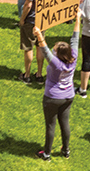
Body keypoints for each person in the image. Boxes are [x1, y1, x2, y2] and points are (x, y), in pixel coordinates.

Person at [33, 10, 79, 159]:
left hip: (52, 98)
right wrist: (77, 20)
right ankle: (66, 151)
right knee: (64, 123)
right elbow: (75, 39)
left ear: (58, 54)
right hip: (68, 97)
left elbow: (45, 51)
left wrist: (39, 35)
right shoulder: (74, 58)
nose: (52, 51)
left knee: (51, 125)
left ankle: (46, 153)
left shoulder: (56, 64)